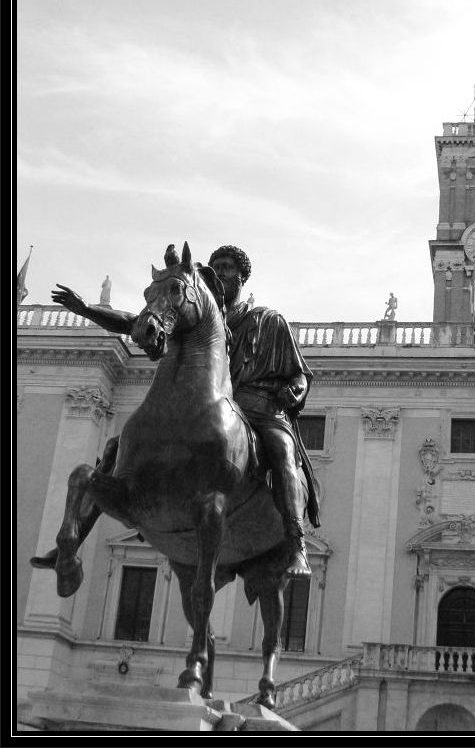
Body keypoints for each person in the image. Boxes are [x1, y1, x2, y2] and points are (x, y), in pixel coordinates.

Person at [36, 245, 319, 578]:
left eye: (227, 267)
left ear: (242, 278)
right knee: (115, 448)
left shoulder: (268, 320)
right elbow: (136, 322)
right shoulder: (193, 318)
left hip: (259, 407)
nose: (219, 272)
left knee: (282, 450)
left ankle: (296, 544)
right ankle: (72, 542)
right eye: (214, 266)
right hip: (206, 406)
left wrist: (294, 391)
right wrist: (85, 309)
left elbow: (299, 374)